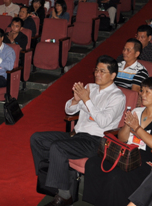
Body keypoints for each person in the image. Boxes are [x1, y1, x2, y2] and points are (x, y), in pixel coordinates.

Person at [31, 56, 125, 206]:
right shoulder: (90, 87)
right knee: (37, 138)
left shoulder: (117, 96)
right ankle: (49, 180)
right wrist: (75, 100)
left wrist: (86, 100)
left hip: (96, 141)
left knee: (58, 147)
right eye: (96, 70)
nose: (97, 74)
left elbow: (103, 122)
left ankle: (64, 196)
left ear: (113, 75)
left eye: (102, 71)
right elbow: (69, 111)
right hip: (77, 135)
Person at [83, 77, 152, 206]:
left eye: (147, 92)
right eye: (142, 91)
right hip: (125, 153)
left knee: (117, 176)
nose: (142, 94)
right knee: (92, 164)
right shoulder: (136, 111)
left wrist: (137, 128)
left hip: (145, 159)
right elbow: (122, 138)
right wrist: (128, 125)